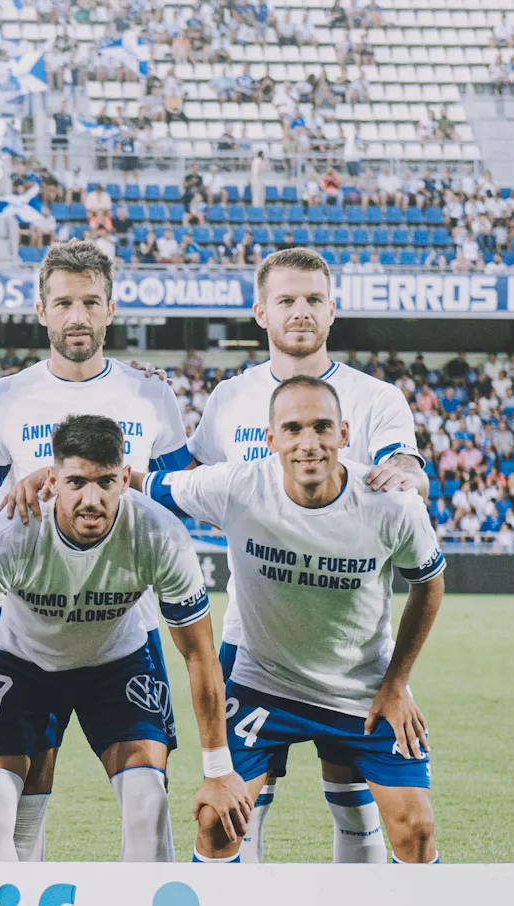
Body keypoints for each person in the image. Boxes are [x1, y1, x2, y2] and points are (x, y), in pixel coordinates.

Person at [0, 240, 191, 856]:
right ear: (41, 310)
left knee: (149, 808)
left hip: (122, 628)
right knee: (16, 810)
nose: (77, 316)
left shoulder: (151, 394)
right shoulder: (7, 396)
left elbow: (179, 500)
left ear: (111, 309)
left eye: (90, 302)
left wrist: (91, 482)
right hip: (26, 630)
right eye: (63, 303)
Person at [181, 247, 428, 863]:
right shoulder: (229, 398)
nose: (301, 311)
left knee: (354, 799)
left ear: (332, 310)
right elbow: (191, 479)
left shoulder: (374, 398)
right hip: (254, 642)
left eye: (314, 299)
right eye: (286, 299)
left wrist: (406, 473)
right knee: (239, 810)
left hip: (352, 651)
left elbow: (403, 469)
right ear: (260, 312)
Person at [140, 374, 445, 865]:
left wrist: (395, 684)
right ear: (270, 438)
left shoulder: (391, 504)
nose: (309, 443)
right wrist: (49, 478)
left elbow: (429, 584)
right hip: (265, 683)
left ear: (344, 434)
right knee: (217, 822)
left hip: (362, 688)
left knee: (418, 829)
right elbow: (136, 483)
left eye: (322, 427)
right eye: (293, 429)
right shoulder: (237, 485)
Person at [0, 417, 250, 861]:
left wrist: (217, 770)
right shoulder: (9, 533)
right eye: (76, 482)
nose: (91, 500)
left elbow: (198, 654)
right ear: (52, 479)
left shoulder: (158, 534)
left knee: (148, 805)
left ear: (125, 479)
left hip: (115, 664)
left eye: (105, 482)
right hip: (18, 662)